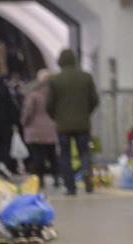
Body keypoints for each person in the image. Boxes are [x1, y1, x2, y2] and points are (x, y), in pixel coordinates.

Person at [46, 49, 99, 196]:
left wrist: (56, 116)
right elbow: (95, 100)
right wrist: (86, 113)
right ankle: (86, 171)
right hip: (82, 123)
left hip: (63, 125)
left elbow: (48, 104)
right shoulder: (86, 77)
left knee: (65, 155)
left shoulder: (55, 80)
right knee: (84, 152)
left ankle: (70, 187)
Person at [20, 69, 58, 187]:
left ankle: (40, 179)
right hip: (51, 128)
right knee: (52, 155)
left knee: (38, 156)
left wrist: (24, 122)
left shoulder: (34, 93)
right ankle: (56, 178)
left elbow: (28, 111)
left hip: (35, 130)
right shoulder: (54, 93)